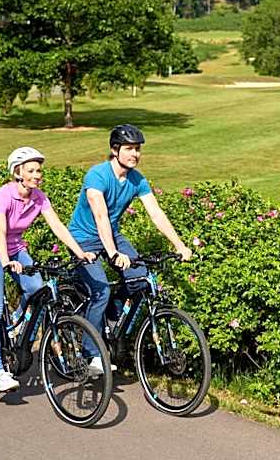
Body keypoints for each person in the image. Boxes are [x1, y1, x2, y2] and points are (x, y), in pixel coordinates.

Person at [0, 147, 97, 393]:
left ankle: (18, 321)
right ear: (18, 173)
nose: (38, 174)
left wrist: (79, 252)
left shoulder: (39, 197)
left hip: (17, 249)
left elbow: (58, 226)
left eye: (39, 169)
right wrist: (6, 260)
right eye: (31, 170)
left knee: (38, 288)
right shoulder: (3, 196)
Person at [68, 124, 192, 371]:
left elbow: (156, 213)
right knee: (100, 290)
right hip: (83, 238)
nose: (135, 154)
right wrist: (113, 253)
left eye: (137, 149)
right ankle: (91, 353)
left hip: (112, 235)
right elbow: (101, 216)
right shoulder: (97, 175)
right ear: (115, 150)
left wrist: (179, 244)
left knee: (141, 279)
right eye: (129, 149)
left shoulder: (137, 180)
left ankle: (112, 315)